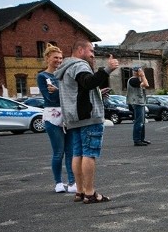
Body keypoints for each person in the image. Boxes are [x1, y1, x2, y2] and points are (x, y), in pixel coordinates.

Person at [55, 39, 119, 204]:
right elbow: (88, 82)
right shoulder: (79, 65)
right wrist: (108, 69)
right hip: (88, 118)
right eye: (91, 51)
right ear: (80, 50)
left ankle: (80, 191)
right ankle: (90, 193)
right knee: (89, 154)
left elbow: (82, 88)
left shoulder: (65, 68)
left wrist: (97, 91)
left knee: (77, 154)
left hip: (73, 119)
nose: (93, 54)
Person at [37, 43, 76, 193]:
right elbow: (50, 97)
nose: (59, 60)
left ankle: (72, 182)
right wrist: (62, 92)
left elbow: (71, 94)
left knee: (71, 151)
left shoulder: (64, 74)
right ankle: (58, 182)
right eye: (55, 58)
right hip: (52, 116)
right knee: (58, 152)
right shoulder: (42, 76)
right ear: (47, 58)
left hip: (68, 115)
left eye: (60, 58)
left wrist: (58, 90)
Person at [127, 66, 150, 146]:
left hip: (140, 102)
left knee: (142, 121)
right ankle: (137, 140)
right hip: (136, 103)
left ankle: (141, 139)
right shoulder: (133, 80)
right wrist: (143, 76)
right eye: (140, 71)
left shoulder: (138, 80)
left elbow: (146, 84)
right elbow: (146, 84)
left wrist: (142, 76)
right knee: (138, 121)